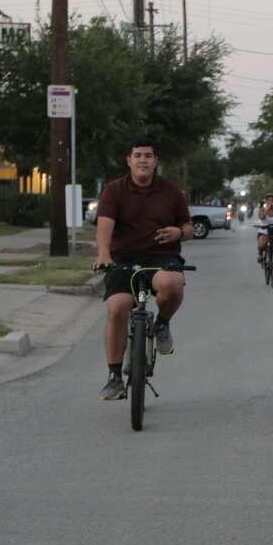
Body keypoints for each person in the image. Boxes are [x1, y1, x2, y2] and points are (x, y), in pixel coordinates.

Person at [92, 138, 194, 400]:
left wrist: (178, 232)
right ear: (129, 160)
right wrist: (104, 254)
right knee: (117, 308)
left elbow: (189, 228)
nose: (143, 160)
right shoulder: (114, 190)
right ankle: (114, 377)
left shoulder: (172, 192)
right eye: (137, 155)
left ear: (155, 161)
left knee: (172, 286)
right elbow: (105, 225)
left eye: (148, 156)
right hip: (123, 260)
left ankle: (162, 324)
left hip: (162, 257)